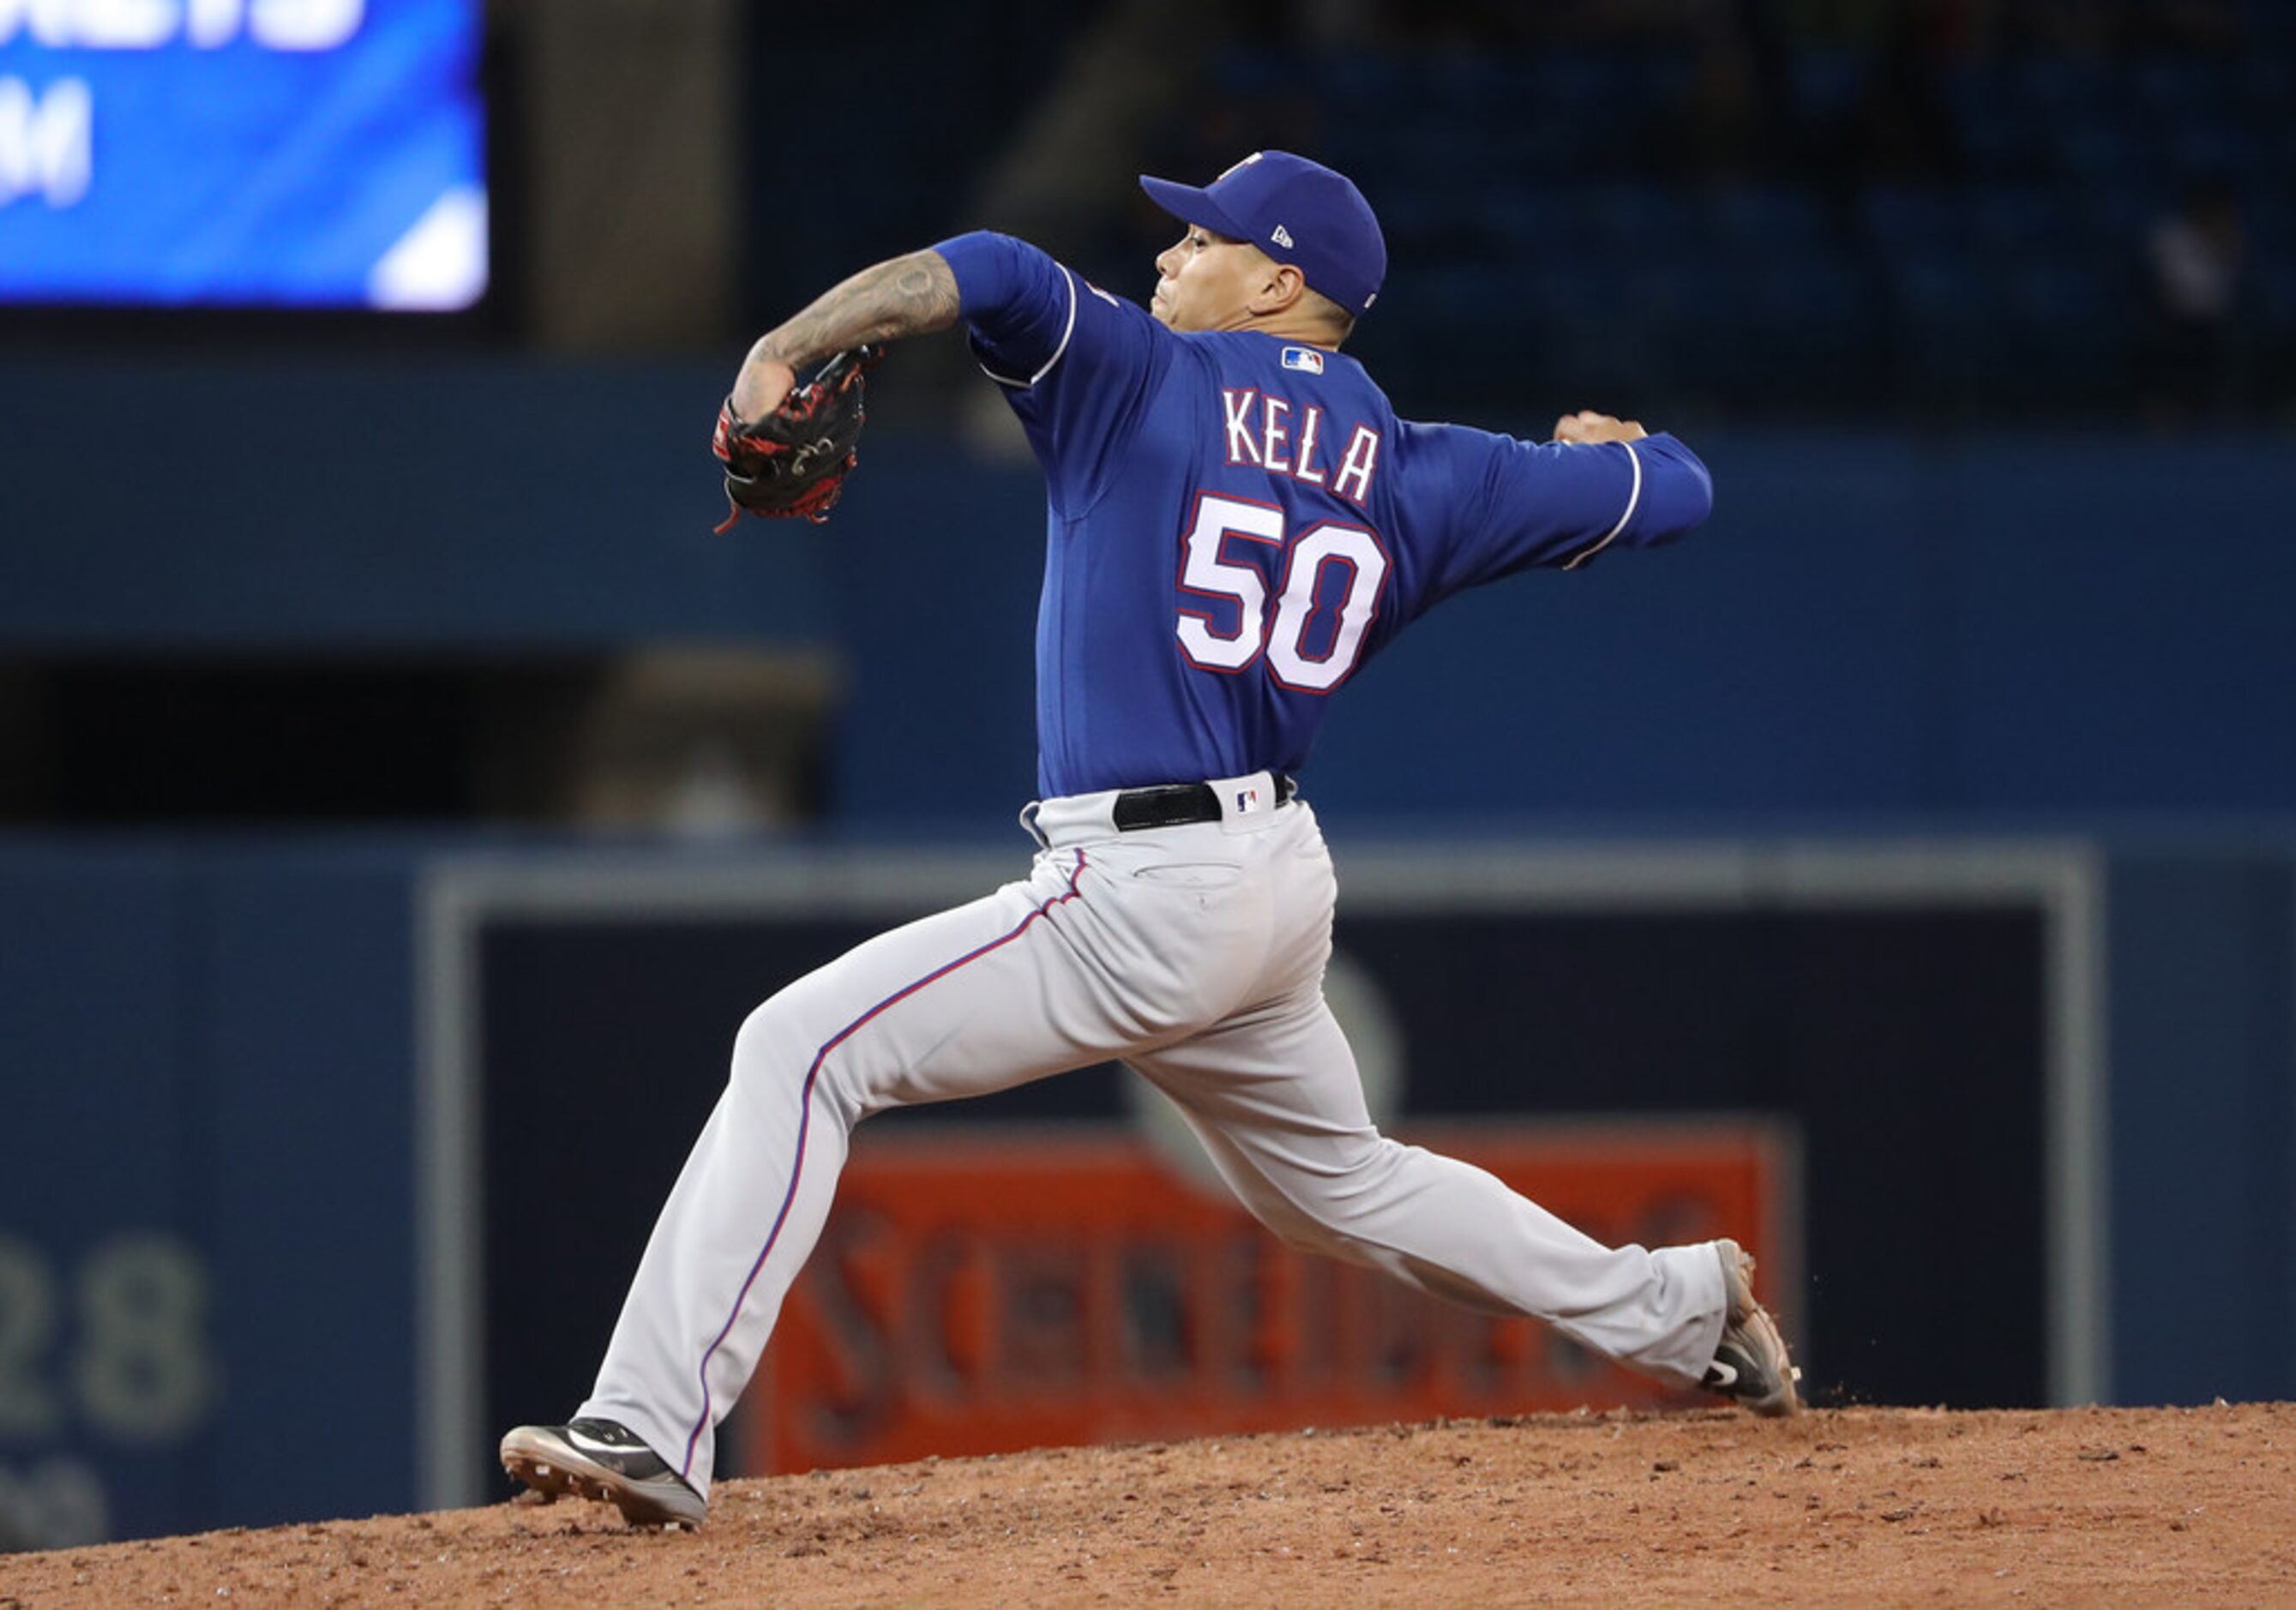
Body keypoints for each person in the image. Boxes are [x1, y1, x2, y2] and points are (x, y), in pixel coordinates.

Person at [501, 150, 1800, 1530]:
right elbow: (1682, 493)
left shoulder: (1136, 377)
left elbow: (988, 270)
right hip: (1273, 880)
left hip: (1141, 890)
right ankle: (1676, 1309)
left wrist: (787, 342)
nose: (1171, 254)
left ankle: (650, 1421)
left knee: (801, 1048)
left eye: (1204, 238)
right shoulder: (1426, 471)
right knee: (1344, 1184)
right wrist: (1623, 456)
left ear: (1280, 281)